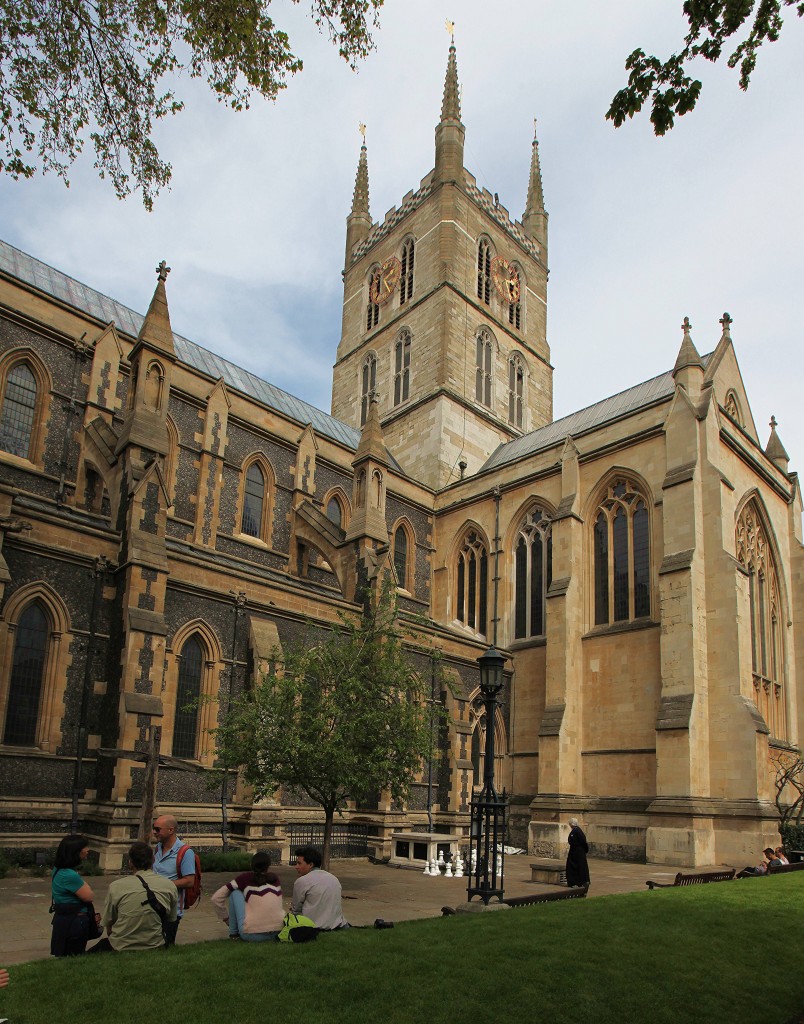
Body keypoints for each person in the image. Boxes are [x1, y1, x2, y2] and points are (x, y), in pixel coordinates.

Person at [88, 841, 177, 953]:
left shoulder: (116, 887)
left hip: (121, 945)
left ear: (130, 862)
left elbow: (108, 923)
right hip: (155, 944)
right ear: (153, 859)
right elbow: (171, 919)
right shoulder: (169, 885)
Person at [211, 850, 283, 942]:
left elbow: (216, 898)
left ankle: (233, 933)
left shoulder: (245, 878)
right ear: (268, 866)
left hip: (251, 935)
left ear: (251, 865)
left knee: (235, 892)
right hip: (278, 933)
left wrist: (226, 918)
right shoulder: (275, 879)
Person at [50, 833, 100, 957]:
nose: (87, 850)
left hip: (64, 920)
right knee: (75, 956)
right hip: (74, 922)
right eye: (84, 847)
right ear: (75, 851)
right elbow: (89, 896)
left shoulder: (58, 870)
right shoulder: (70, 875)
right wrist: (85, 884)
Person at [152, 813, 196, 946]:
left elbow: (189, 881)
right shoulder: (157, 848)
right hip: (154, 907)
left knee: (166, 946)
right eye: (154, 828)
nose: (154, 832)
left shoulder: (185, 852)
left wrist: (163, 884)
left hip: (171, 910)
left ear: (171, 830)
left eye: (157, 829)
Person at [291, 846, 348, 930]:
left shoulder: (302, 881)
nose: (296, 867)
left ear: (310, 865)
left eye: (299, 863)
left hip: (312, 927)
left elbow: (296, 910)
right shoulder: (334, 878)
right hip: (337, 925)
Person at [566, 817, 590, 888]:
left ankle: (578, 882)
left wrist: (584, 850)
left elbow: (583, 841)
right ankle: (579, 881)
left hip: (577, 852)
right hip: (575, 851)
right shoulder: (576, 830)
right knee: (576, 866)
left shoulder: (577, 831)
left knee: (578, 866)